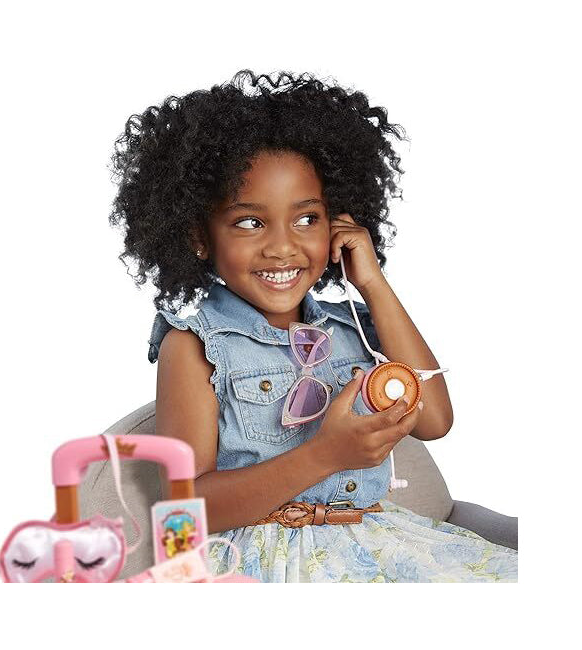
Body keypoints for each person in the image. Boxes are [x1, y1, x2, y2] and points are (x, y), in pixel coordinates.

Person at [109, 69, 518, 582]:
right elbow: (184, 510)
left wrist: (372, 284)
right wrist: (323, 456)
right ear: (198, 236)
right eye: (250, 222)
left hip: (374, 540)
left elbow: (434, 420)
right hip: (268, 561)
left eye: (307, 219)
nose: (283, 246)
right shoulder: (196, 346)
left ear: (336, 223)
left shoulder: (354, 329)